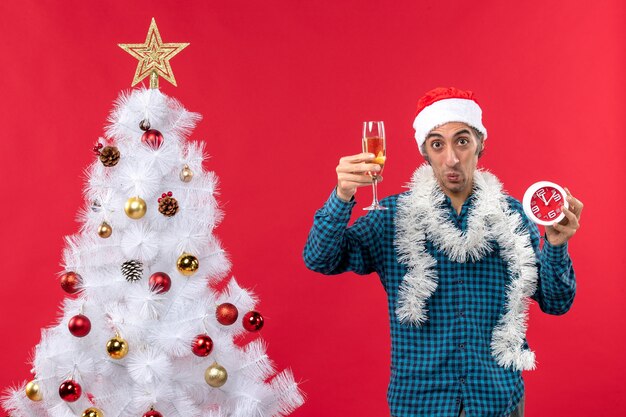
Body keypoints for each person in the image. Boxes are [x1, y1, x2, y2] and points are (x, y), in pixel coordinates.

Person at [303, 87, 583, 417]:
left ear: (481, 144)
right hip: (421, 403)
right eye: (438, 144)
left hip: (497, 401)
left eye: (462, 141)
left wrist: (555, 244)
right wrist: (342, 195)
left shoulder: (511, 215)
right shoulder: (391, 217)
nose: (451, 158)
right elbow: (320, 258)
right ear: (425, 151)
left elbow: (556, 301)